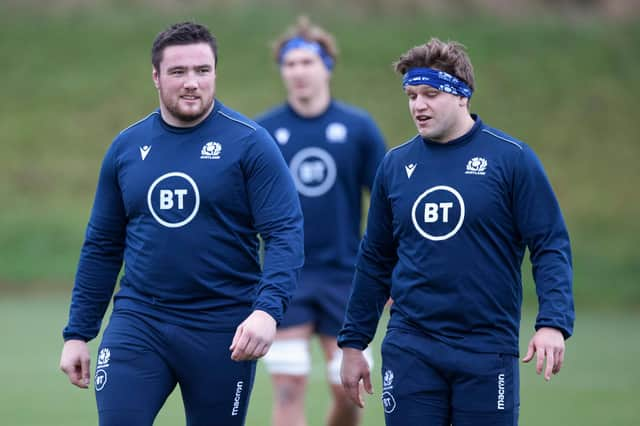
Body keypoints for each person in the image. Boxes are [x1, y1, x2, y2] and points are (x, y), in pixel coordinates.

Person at [58, 21, 304, 426]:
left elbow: (284, 234)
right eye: (178, 72)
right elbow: (102, 245)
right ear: (155, 77)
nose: (192, 83)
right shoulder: (125, 148)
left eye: (202, 71)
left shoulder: (250, 143)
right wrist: (77, 333)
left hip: (223, 329)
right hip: (139, 321)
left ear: (215, 74)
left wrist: (266, 311)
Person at [337, 38, 575, 426]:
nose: (418, 105)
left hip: (485, 348)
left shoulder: (511, 159)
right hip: (411, 345)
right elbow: (375, 259)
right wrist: (353, 342)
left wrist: (552, 322)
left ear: (463, 95)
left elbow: (549, 244)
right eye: (411, 95)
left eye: (430, 94)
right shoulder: (395, 166)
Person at [255, 17, 387, 426]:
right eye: (289, 64)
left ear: (326, 65)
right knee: (288, 386)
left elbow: (388, 205)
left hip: (346, 276)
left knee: (349, 391)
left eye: (306, 62)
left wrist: (392, 272)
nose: (297, 72)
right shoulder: (264, 131)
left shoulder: (357, 128)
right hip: (286, 275)